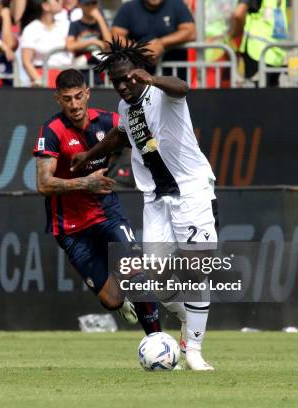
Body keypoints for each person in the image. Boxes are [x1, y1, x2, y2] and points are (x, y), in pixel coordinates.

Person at [71, 40, 218, 370]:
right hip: (157, 199)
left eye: (127, 78)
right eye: (116, 81)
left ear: (140, 73)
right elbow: (120, 136)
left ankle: (192, 350)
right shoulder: (125, 109)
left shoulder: (162, 92)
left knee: (196, 270)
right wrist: (89, 156)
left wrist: (151, 79)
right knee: (156, 281)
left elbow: (184, 86)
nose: (122, 86)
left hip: (191, 191)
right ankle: (187, 320)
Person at [33, 68, 162, 337]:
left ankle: (157, 341)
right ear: (58, 99)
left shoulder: (108, 120)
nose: (75, 105)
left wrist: (121, 166)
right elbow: (43, 184)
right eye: (67, 99)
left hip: (107, 213)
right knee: (111, 300)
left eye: (79, 96)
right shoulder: (52, 130)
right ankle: (122, 303)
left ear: (87, 93)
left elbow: (135, 136)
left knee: (135, 273)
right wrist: (84, 183)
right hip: (70, 227)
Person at [111, 0, 195, 80]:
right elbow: (116, 35)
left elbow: (191, 32)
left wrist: (161, 43)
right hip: (138, 76)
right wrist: (139, 50)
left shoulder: (177, 4)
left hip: (174, 75)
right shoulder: (128, 7)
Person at [232, 0, 287, 86]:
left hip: (257, 51)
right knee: (272, 96)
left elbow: (239, 14)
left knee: (256, 97)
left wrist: (234, 34)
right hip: (275, 52)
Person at [20, 0, 72, 87]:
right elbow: (26, 61)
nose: (61, 1)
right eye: (56, 0)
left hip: (70, 78)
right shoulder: (31, 29)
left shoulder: (67, 25)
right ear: (45, 6)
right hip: (43, 78)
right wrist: (41, 82)